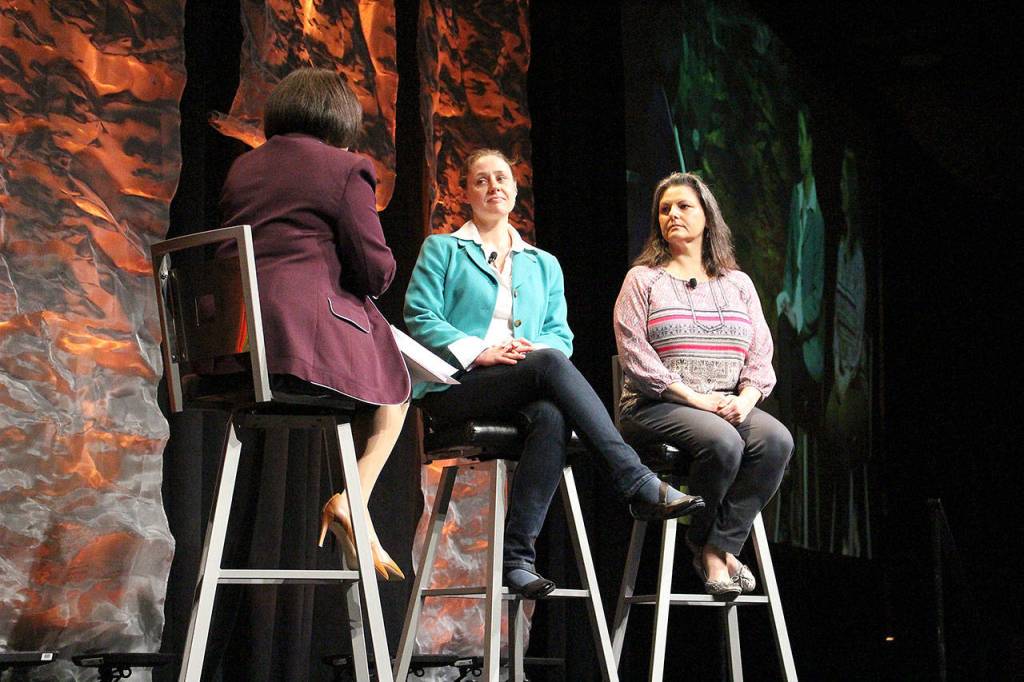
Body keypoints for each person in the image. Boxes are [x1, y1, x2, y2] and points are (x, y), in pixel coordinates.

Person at [403, 149, 704, 599]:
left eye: (501, 178)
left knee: (552, 415)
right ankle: (634, 479)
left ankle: (517, 560)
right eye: (481, 180)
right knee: (547, 365)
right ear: (465, 192)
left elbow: (559, 336)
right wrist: (483, 352)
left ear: (515, 189)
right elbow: (421, 317)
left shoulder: (543, 263)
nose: (493, 187)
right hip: (456, 386)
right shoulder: (442, 249)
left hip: (521, 383)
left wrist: (528, 352)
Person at [217, 67, 410, 580]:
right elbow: (375, 271)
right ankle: (353, 499)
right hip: (298, 351)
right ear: (340, 119)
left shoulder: (242, 169)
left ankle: (355, 509)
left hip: (234, 351)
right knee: (395, 392)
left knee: (376, 381)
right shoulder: (345, 168)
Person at [613, 171, 793, 598]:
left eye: (683, 206)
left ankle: (718, 544)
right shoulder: (643, 279)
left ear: (707, 217)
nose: (672, 215)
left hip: (726, 403)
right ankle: (705, 547)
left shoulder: (738, 284)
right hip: (654, 405)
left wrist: (746, 399)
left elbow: (760, 354)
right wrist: (696, 398)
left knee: (777, 442)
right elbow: (635, 355)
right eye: (664, 209)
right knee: (723, 443)